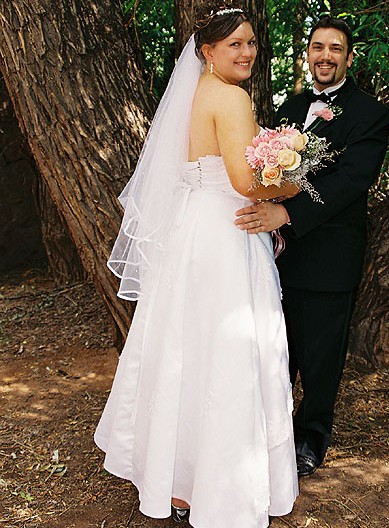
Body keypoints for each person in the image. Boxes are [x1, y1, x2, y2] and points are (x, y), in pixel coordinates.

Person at [94, 3, 299, 527]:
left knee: (187, 344)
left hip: (193, 231)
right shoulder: (230, 99)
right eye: (235, 44)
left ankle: (180, 477)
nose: (247, 52)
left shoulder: (192, 95)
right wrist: (294, 183)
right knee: (225, 348)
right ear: (207, 51)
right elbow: (246, 183)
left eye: (252, 42)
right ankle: (217, 482)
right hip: (224, 235)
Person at [235, 16, 389, 477]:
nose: (325, 56)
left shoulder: (370, 112)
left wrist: (287, 213)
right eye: (318, 47)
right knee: (279, 351)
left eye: (335, 49)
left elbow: (351, 182)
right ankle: (273, 434)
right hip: (281, 258)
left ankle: (311, 439)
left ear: (348, 56)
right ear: (308, 52)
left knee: (322, 357)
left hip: (330, 257)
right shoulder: (292, 105)